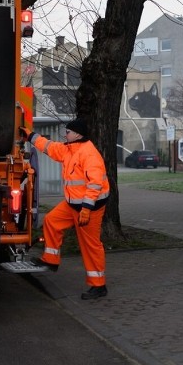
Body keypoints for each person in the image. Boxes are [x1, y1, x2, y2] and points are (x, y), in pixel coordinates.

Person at [20, 118, 110, 300]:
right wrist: (30, 136)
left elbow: (95, 184)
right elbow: (49, 147)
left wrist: (86, 208)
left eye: (67, 132)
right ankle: (51, 260)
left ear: (77, 134)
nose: (64, 135)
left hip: (89, 208)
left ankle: (98, 286)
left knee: (90, 246)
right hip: (73, 205)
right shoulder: (69, 149)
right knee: (51, 221)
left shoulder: (89, 154)